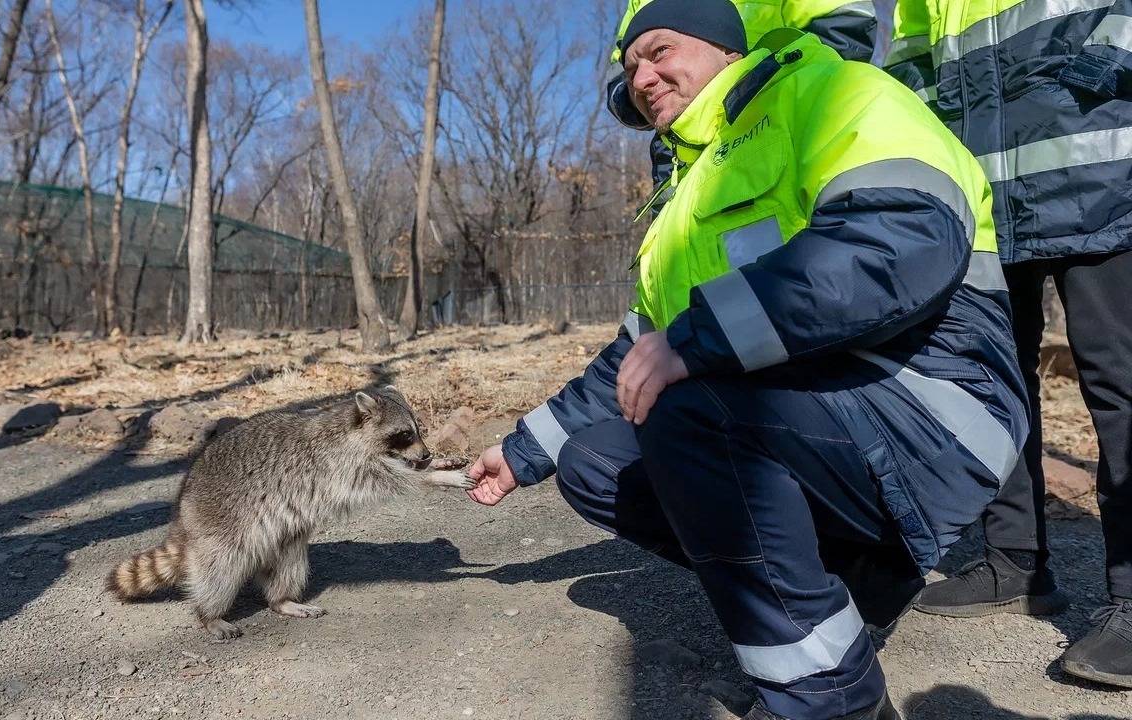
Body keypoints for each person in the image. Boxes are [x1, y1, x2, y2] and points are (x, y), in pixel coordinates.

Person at [464, 0, 1029, 717]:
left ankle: (830, 699)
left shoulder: (833, 92)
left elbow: (902, 241)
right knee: (595, 463)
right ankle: (863, 578)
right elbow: (634, 359)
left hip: (934, 405)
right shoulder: (688, 196)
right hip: (828, 418)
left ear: (726, 46)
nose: (643, 75)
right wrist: (520, 452)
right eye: (631, 64)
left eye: (660, 50)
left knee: (690, 420)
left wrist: (697, 340)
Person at [884, 0, 1132, 688]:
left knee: (1121, 378)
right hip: (987, 191)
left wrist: (1096, 71)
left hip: (1105, 167)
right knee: (994, 380)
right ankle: (1014, 561)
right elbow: (912, 58)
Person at [605, 0, 878, 220]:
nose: (641, 79)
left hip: (772, 123)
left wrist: (772, 93)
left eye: (662, 50)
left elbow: (845, 23)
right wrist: (670, 99)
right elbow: (622, 82)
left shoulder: (849, 103)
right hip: (678, 144)